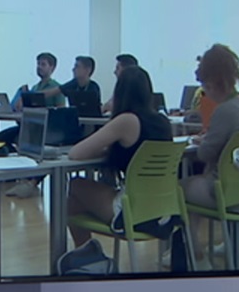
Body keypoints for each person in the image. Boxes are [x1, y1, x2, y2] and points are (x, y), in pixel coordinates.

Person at [179, 44, 239, 270]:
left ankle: (195, 257)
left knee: (179, 189)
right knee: (198, 183)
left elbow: (205, 154)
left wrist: (204, 141)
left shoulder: (225, 110)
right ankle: (222, 247)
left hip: (229, 195)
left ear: (210, 83)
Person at [66, 65, 172, 249]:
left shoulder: (127, 120)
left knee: (75, 185)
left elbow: (76, 153)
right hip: (161, 208)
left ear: (120, 92)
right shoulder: (163, 121)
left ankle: (85, 253)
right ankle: (85, 252)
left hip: (132, 211)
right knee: (75, 202)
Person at [0, 53, 65, 199]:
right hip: (31, 126)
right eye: (38, 64)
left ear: (52, 68)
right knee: (1, 137)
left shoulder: (56, 88)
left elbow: (61, 111)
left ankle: (29, 180)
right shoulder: (35, 88)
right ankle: (12, 174)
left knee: (34, 145)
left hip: (48, 129)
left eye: (43, 64)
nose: (39, 67)